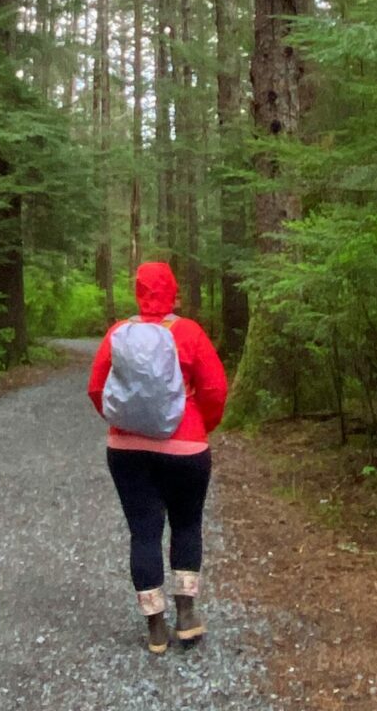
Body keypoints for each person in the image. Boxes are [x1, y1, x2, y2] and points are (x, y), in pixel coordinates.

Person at [87, 261, 229, 654]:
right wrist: (202, 425)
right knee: (186, 525)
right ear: (174, 291)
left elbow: (97, 388)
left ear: (137, 291)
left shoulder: (117, 333)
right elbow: (215, 388)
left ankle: (154, 628)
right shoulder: (189, 332)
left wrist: (121, 422)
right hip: (186, 448)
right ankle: (186, 616)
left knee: (144, 532)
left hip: (127, 451)